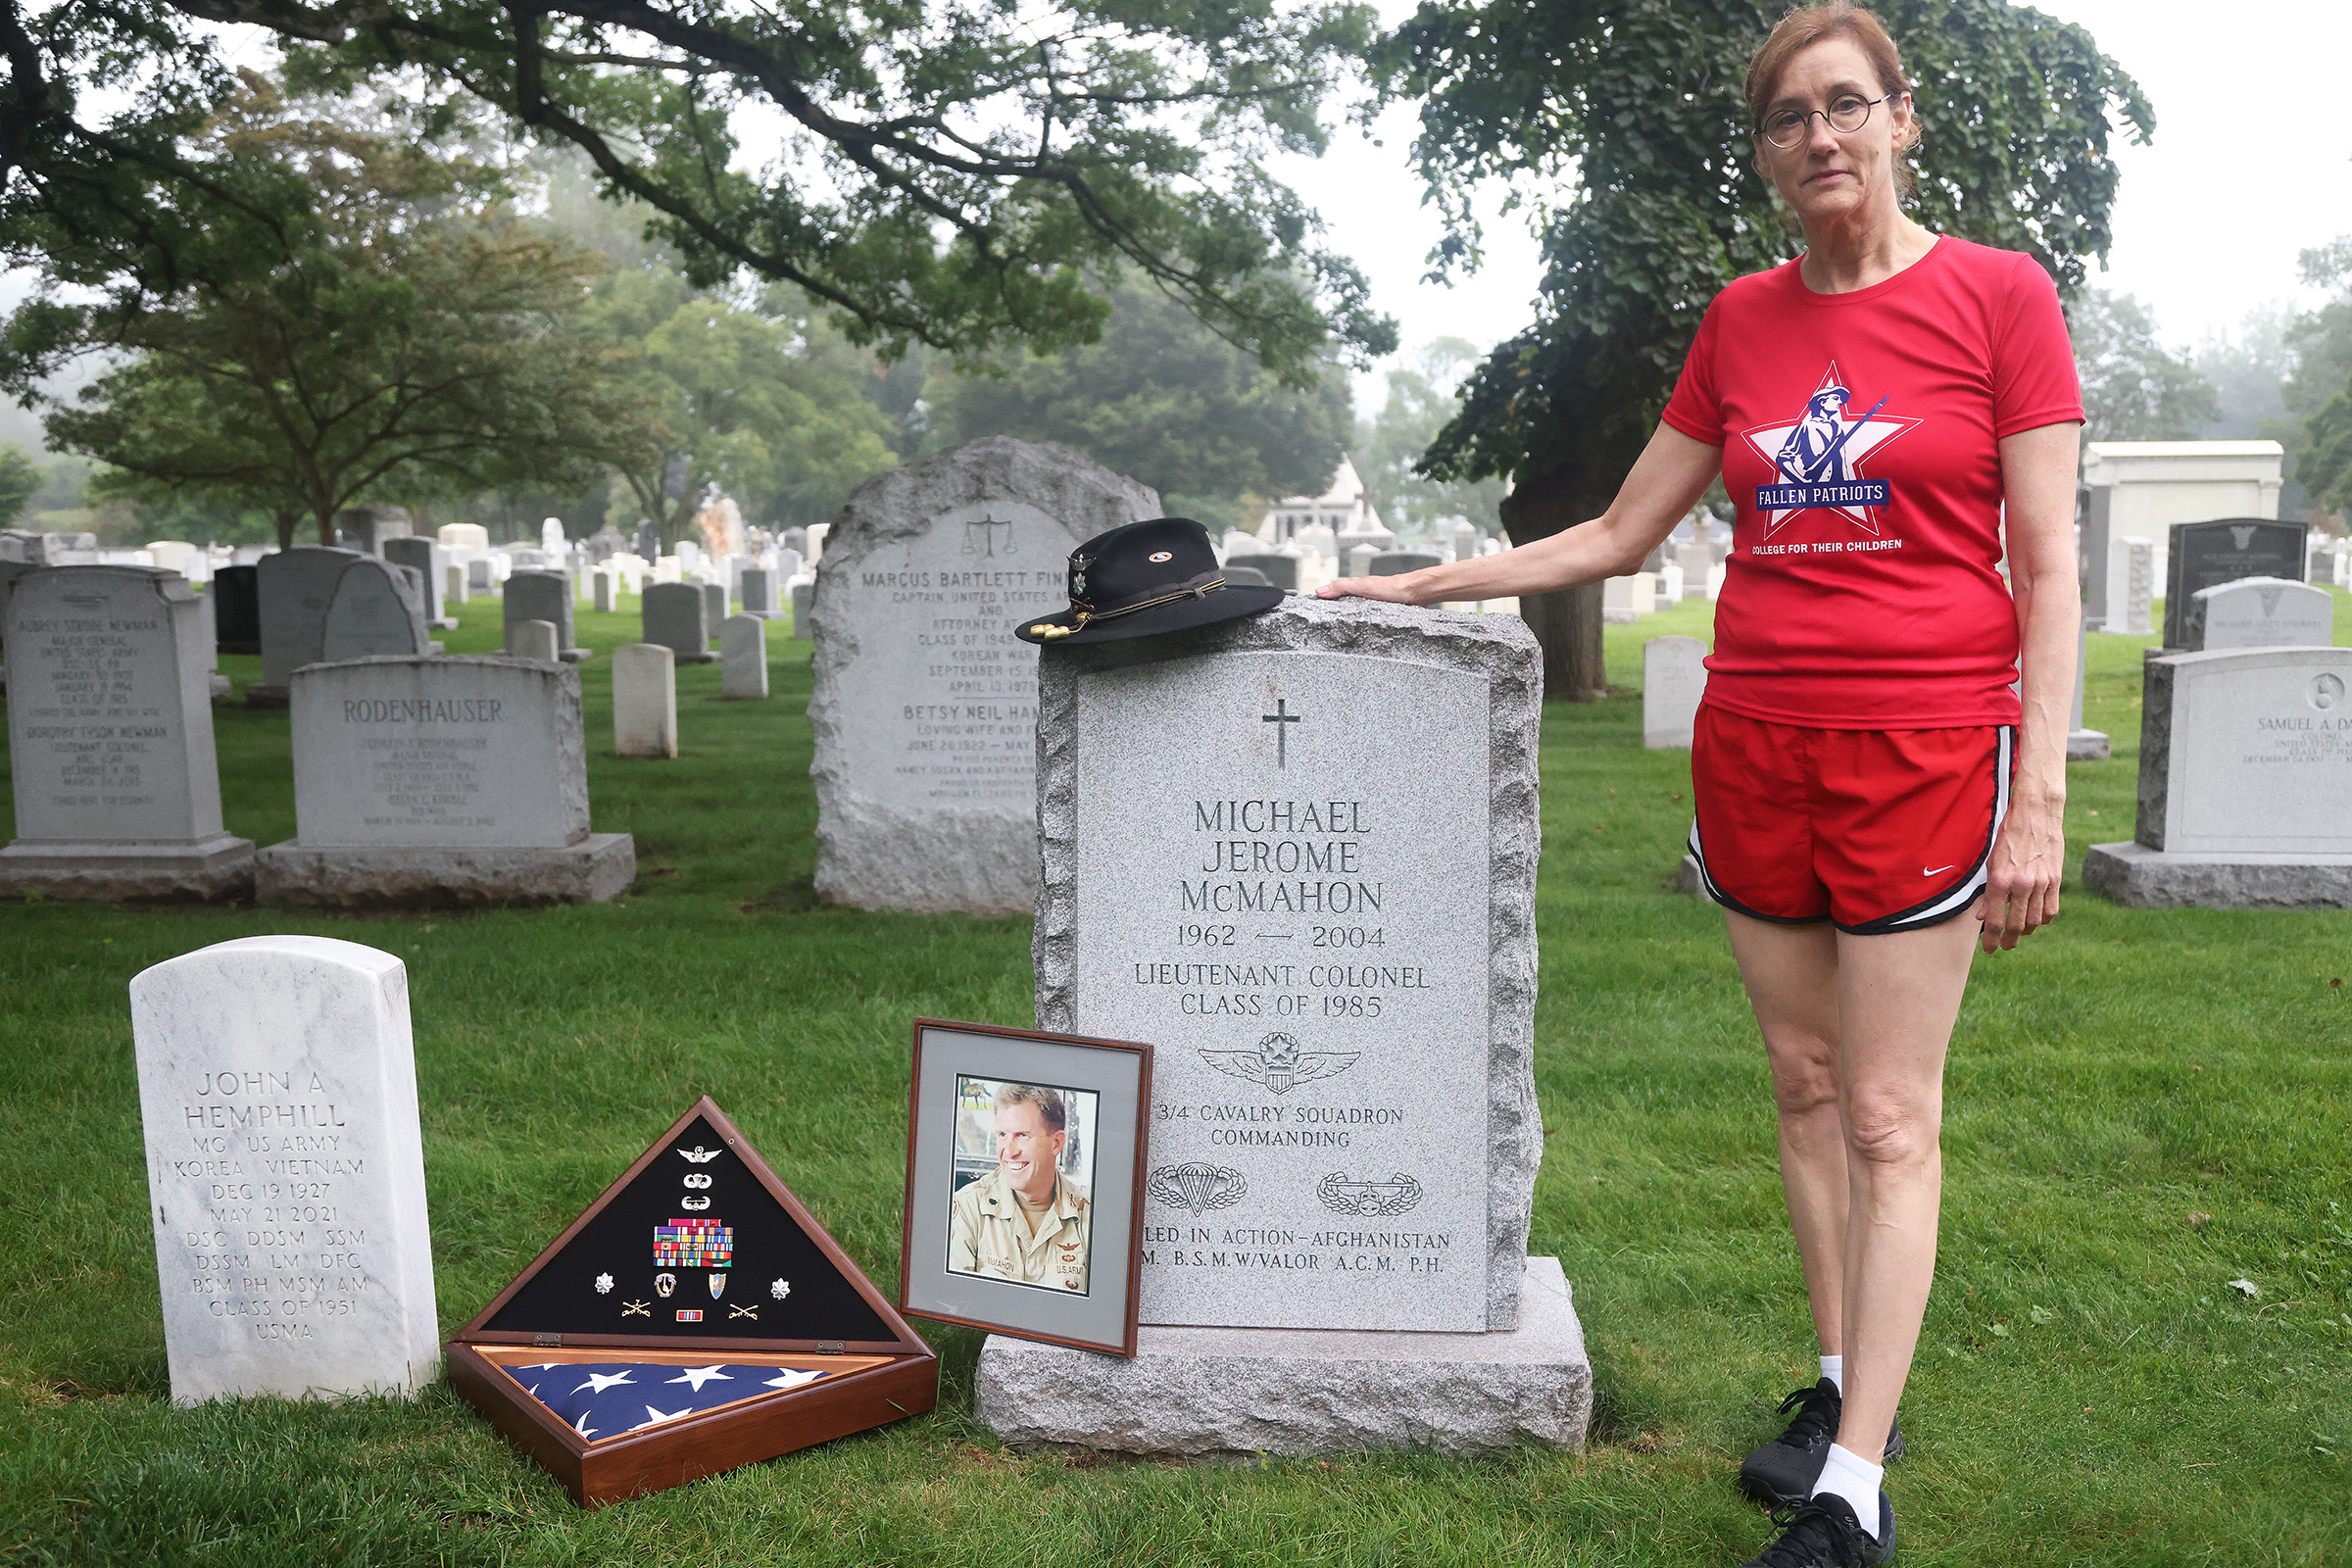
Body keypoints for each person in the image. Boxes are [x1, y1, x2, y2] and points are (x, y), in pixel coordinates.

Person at [1319, 4, 2080, 1563]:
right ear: (1766, 150)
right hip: (1757, 744)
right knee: (1803, 1087)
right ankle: (1835, 1384)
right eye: (1789, 116)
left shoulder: (2000, 299)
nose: (1820, 136)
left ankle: (1855, 1492)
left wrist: (2041, 797)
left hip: (1928, 746)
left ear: (1902, 120)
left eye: (1847, 106)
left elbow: (2051, 564)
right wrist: (1426, 586)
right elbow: (1614, 536)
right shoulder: (1743, 321)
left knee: (1885, 1112)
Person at [947, 1083, 1093, 1292]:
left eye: (1022, 1135)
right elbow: (955, 1305)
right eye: (1002, 1135)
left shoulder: (1090, 1217)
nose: (1009, 1151)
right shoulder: (968, 1207)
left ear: (1057, 1143)